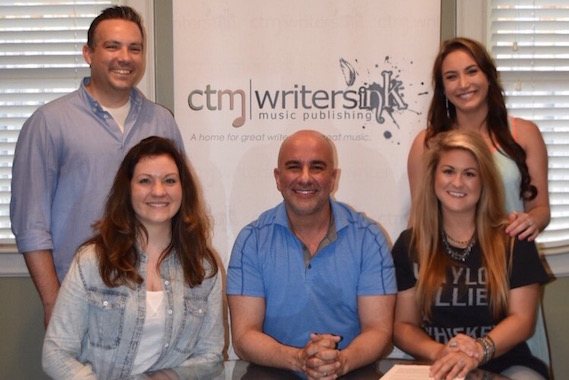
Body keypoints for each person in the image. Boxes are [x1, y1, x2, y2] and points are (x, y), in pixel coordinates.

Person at [10, 5, 184, 327]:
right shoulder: (49, 123)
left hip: (155, 298)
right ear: (88, 53)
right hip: (80, 300)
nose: (125, 57)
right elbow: (32, 225)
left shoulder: (162, 122)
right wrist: (53, 302)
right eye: (112, 46)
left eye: (135, 48)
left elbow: (178, 210)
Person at [42, 136, 222, 379]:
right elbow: (56, 353)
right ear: (127, 189)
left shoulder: (204, 267)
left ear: (183, 189)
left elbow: (210, 357)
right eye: (145, 181)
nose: (158, 191)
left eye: (169, 180)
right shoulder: (92, 261)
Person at [226, 130, 397, 379]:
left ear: (333, 178)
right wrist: (298, 359)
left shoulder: (368, 238)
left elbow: (380, 331)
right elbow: (243, 337)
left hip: (352, 371)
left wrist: (342, 361)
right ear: (277, 177)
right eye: (294, 167)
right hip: (274, 371)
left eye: (316, 167)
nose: (305, 178)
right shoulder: (251, 241)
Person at [393, 130, 550, 380]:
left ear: (484, 182)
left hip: (506, 363)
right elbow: (403, 326)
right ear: (433, 177)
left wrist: (478, 350)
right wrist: (442, 352)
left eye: (469, 174)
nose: (457, 183)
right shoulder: (409, 245)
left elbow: (522, 319)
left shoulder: (514, 239)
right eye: (448, 171)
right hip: (438, 364)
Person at [407, 37, 549, 241]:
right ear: (443, 88)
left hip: (509, 259)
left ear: (489, 77)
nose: (463, 84)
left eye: (472, 71)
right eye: (451, 76)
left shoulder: (525, 134)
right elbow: (418, 218)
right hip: (449, 264)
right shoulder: (426, 144)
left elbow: (541, 208)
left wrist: (531, 221)